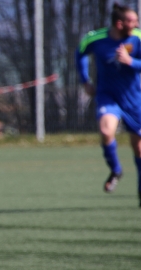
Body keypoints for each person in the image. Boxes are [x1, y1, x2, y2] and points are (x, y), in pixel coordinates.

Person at [76, 3, 141, 207]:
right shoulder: (96, 38)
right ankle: (116, 169)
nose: (136, 24)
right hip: (108, 96)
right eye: (133, 21)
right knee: (106, 131)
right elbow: (80, 53)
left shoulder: (138, 37)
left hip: (134, 99)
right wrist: (85, 80)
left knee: (138, 148)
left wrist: (130, 62)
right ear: (119, 23)